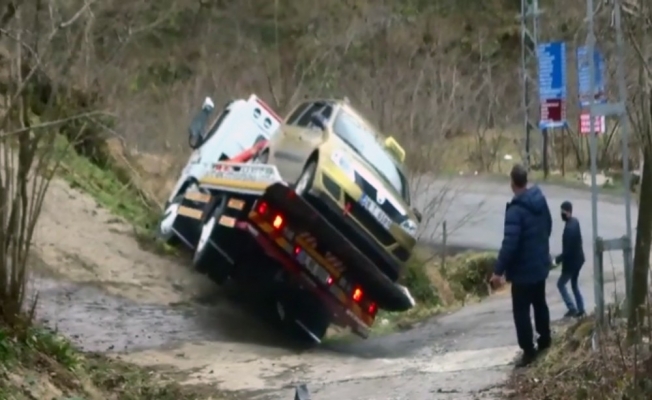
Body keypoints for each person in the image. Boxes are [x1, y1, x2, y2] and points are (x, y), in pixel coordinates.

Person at [490, 164, 552, 367]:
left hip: (523, 272)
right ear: (526, 180)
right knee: (540, 303)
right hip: (540, 264)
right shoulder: (540, 200)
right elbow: (548, 226)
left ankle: (528, 350)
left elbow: (510, 243)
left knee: (521, 311)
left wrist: (498, 271)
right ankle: (545, 339)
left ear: (512, 183)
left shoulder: (515, 210)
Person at [554, 201, 586, 318]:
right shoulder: (574, 222)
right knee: (574, 284)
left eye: (563, 211)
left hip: (572, 263)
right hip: (579, 260)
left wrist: (557, 260)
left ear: (568, 211)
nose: (561, 213)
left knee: (561, 284)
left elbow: (567, 251)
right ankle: (581, 309)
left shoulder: (569, 229)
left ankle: (572, 308)